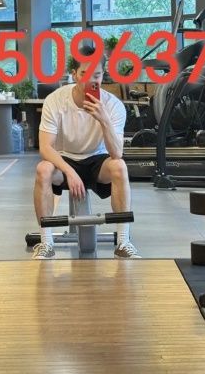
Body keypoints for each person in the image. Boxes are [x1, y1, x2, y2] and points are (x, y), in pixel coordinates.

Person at [32, 45, 139, 259]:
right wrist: (69, 172)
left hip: (97, 160)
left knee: (119, 166)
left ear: (103, 75)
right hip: (64, 159)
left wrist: (104, 119)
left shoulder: (113, 106)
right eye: (85, 74)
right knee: (43, 169)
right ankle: (46, 243)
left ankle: (123, 242)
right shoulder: (55, 100)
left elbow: (116, 153)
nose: (91, 80)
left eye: (96, 75)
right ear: (74, 74)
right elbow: (45, 147)